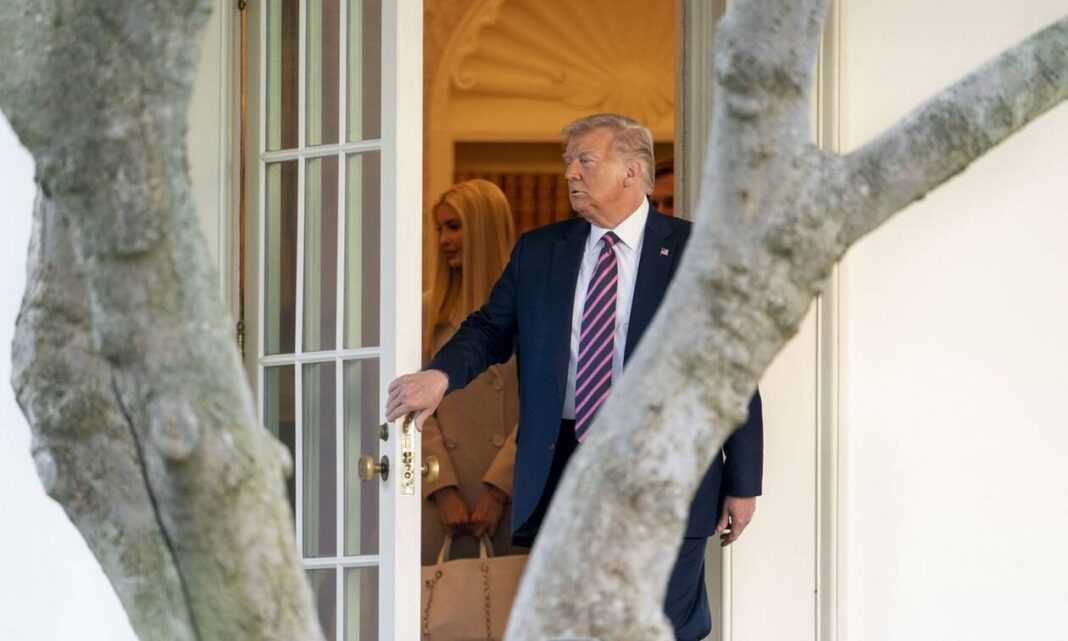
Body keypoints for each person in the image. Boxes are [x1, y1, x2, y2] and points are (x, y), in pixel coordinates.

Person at [388, 114, 763, 641]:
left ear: (632, 172)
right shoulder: (540, 251)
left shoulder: (697, 252)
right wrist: (440, 375)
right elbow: (491, 328)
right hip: (563, 464)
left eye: (585, 161)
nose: (570, 174)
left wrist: (742, 482)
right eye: (568, 162)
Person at [420, 179, 520, 565]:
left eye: (455, 226)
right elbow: (409, 404)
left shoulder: (530, 307)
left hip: (510, 496)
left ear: (484, 228)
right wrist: (441, 486)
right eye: (440, 228)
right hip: (439, 502)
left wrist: (498, 488)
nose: (444, 239)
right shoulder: (426, 311)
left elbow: (544, 406)